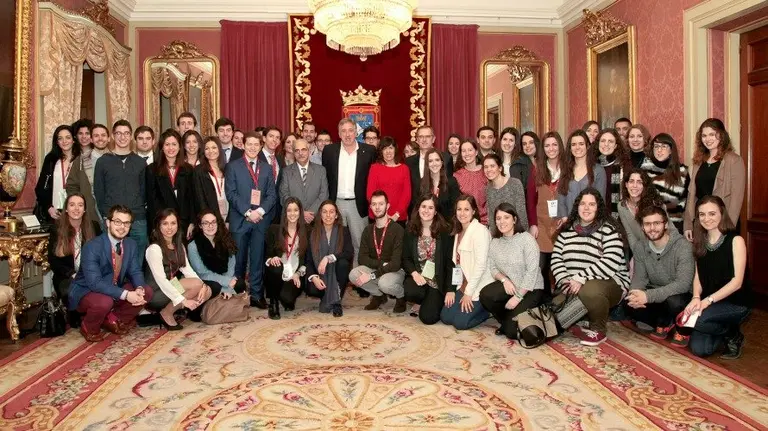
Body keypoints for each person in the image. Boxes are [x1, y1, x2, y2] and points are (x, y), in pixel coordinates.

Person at [551, 188, 630, 346]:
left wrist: (581, 277)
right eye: (583, 204)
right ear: (577, 206)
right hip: (573, 284)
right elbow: (556, 258)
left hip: (610, 283)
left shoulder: (609, 229)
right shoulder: (566, 231)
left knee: (589, 290)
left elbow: (610, 262)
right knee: (554, 316)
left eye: (591, 204)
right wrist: (565, 281)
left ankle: (598, 330)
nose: (586, 208)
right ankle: (581, 321)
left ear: (598, 208)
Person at [675, 196, 750, 359]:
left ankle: (733, 334)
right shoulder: (699, 241)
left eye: (711, 214)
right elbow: (698, 276)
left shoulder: (735, 240)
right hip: (709, 301)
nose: (706, 219)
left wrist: (707, 301)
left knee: (700, 321)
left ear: (721, 214)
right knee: (699, 350)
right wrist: (695, 297)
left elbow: (737, 282)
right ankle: (721, 329)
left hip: (735, 302)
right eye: (702, 214)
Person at [68, 205, 151, 342]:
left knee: (146, 292)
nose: (122, 227)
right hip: (87, 291)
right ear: (108, 223)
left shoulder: (131, 244)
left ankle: (112, 319)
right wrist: (126, 295)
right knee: (104, 302)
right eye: (117, 222)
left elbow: (135, 270)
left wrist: (139, 288)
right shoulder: (92, 246)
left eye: (126, 223)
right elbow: (95, 283)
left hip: (112, 288)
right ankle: (89, 327)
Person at [624, 206, 694, 338]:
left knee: (674, 303)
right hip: (658, 294)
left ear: (666, 224)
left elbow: (683, 284)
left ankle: (679, 326)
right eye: (647, 224)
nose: (652, 228)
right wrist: (635, 295)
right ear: (642, 227)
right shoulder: (640, 247)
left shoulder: (683, 246)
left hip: (680, 295)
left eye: (657, 223)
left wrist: (647, 296)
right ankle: (665, 322)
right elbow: (639, 279)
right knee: (628, 304)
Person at [226, 131, 277, 309]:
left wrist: (260, 211)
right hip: (240, 220)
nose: (253, 147)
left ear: (261, 146)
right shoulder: (233, 166)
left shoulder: (267, 167)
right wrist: (248, 212)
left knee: (257, 259)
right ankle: (239, 295)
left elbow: (272, 194)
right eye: (249, 144)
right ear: (243, 145)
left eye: (256, 144)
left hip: (260, 221)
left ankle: (256, 294)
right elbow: (231, 194)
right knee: (238, 261)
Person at [479, 203, 545, 339]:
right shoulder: (495, 242)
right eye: (498, 218)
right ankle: (508, 320)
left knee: (510, 332)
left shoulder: (527, 239)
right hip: (511, 285)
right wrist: (504, 280)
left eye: (506, 217)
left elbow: (532, 272)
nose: (502, 222)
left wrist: (518, 297)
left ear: (514, 219)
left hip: (531, 289)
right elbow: (493, 268)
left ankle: (512, 322)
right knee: (486, 295)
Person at [144, 209, 211, 330]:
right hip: (156, 292)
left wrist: (204, 286)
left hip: (171, 285)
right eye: (165, 223)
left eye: (173, 223)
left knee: (206, 289)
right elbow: (161, 281)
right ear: (158, 226)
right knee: (196, 285)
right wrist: (184, 301)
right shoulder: (154, 249)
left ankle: (174, 311)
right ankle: (167, 313)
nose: (169, 227)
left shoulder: (178, 245)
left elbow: (188, 271)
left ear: (178, 225)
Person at [322, 118, 376, 267]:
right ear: (339, 134)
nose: (347, 134)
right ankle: (337, 280)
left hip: (358, 204)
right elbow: (325, 177)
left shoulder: (369, 151)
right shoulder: (329, 151)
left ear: (356, 132)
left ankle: (358, 278)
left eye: (350, 130)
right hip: (336, 203)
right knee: (335, 243)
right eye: (343, 131)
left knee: (359, 244)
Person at [94, 120, 148, 261]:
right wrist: (106, 215)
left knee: (136, 263)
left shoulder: (140, 163)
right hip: (113, 220)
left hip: (138, 220)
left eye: (126, 133)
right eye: (118, 133)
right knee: (112, 263)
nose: (122, 137)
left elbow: (144, 192)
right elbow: (99, 192)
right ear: (112, 136)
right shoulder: (103, 162)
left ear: (131, 137)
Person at [684, 118, 745, 241]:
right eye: (704, 135)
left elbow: (736, 199)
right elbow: (692, 195)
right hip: (701, 223)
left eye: (712, 134)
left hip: (723, 224)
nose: (708, 139)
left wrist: (725, 228)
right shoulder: (698, 162)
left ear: (721, 135)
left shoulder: (734, 160)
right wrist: (688, 224)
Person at [440, 195, 493, 330]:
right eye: (459, 209)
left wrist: (469, 293)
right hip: (462, 284)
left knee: (460, 323)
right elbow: (456, 264)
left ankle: (488, 310)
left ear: (474, 211)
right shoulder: (458, 231)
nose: (462, 213)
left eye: (466, 209)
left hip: (478, 286)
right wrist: (452, 290)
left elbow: (481, 266)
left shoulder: (480, 231)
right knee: (446, 317)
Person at [349, 191, 407, 313]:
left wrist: (372, 275)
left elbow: (396, 264)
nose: (377, 207)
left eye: (381, 204)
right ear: (370, 207)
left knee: (384, 283)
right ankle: (379, 296)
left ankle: (401, 297)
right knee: (353, 274)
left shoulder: (398, 230)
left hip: (395, 271)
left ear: (388, 206)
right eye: (374, 204)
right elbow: (362, 259)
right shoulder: (368, 230)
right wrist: (381, 264)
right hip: (381, 267)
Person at [47, 194, 100, 325]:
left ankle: (91, 311)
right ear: (66, 209)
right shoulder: (57, 229)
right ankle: (74, 310)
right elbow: (53, 261)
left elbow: (101, 255)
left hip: (90, 274)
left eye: (80, 205)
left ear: (85, 209)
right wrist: (72, 274)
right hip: (66, 276)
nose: (76, 209)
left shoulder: (94, 227)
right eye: (72, 205)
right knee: (71, 290)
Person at [402, 194, 454, 325]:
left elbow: (450, 264)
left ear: (436, 211)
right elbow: (406, 258)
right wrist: (414, 274)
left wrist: (450, 290)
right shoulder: (410, 229)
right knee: (410, 291)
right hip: (419, 277)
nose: (426, 210)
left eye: (431, 208)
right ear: (418, 208)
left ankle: (431, 301)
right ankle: (421, 300)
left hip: (437, 280)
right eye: (423, 206)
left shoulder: (445, 231)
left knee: (428, 318)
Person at [527, 131, 565, 293]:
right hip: (541, 224)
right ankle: (544, 299)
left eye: (554, 145)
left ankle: (562, 300)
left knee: (560, 265)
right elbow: (530, 199)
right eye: (547, 145)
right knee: (542, 265)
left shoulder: (568, 168)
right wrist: (533, 224)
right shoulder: (537, 169)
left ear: (560, 147)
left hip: (562, 223)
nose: (551, 149)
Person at [187, 210, 246, 313]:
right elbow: (202, 273)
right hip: (205, 281)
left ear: (218, 223)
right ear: (200, 226)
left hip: (223, 277)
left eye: (213, 222)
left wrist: (228, 287)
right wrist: (227, 282)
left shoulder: (226, 240)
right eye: (206, 223)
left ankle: (225, 307)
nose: (210, 226)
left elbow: (231, 266)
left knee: (240, 283)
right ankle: (214, 309)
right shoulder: (193, 246)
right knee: (215, 286)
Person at [306, 200, 354, 317]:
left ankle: (336, 302)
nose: (328, 215)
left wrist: (329, 258)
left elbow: (349, 253)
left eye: (331, 212)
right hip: (319, 273)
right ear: (320, 214)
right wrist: (313, 277)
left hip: (336, 270)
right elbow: (308, 260)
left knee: (343, 264)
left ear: (336, 215)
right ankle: (326, 295)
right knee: (312, 289)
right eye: (325, 212)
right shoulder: (312, 232)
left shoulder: (344, 230)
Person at [146, 129, 195, 239]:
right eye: (167, 144)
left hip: (184, 222)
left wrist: (192, 222)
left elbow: (192, 198)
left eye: (174, 144)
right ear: (162, 147)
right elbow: (152, 201)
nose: (171, 148)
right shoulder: (152, 169)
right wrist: (156, 225)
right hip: (162, 223)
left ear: (179, 147)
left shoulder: (188, 169)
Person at [264, 197, 309, 319]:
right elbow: (267, 255)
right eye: (289, 210)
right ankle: (273, 304)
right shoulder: (274, 230)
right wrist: (272, 259)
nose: (292, 214)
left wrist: (298, 274)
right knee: (276, 266)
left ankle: (282, 295)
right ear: (285, 212)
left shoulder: (306, 232)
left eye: (296, 210)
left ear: (300, 212)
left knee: (287, 300)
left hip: (294, 275)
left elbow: (307, 261)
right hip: (277, 272)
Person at [557, 129, 606, 219]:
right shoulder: (566, 169)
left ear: (587, 146)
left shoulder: (598, 170)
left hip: (591, 224)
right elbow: (561, 199)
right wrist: (565, 218)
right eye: (573, 144)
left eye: (581, 144)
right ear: (570, 148)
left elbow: (600, 201)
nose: (577, 147)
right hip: (569, 223)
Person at [36, 124, 81, 223]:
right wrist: (49, 208)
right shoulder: (51, 159)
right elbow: (40, 188)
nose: (64, 141)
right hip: (55, 213)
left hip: (78, 212)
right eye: (60, 138)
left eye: (68, 137)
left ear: (73, 140)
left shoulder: (81, 159)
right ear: (57, 142)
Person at [279, 138, 329, 225]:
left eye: (303, 150)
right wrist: (301, 213)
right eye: (297, 151)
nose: (300, 153)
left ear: (309, 151)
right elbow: (284, 195)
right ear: (294, 153)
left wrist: (311, 213)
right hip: (294, 220)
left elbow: (324, 194)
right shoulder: (286, 171)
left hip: (315, 219)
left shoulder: (321, 170)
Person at [406, 126, 453, 208]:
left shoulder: (446, 158)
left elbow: (448, 186)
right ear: (416, 139)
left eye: (427, 136)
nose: (424, 140)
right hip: (416, 211)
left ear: (434, 139)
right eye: (420, 137)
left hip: (441, 211)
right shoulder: (409, 162)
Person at [367, 137, 411, 225]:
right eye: (385, 148)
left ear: (395, 150)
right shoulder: (374, 168)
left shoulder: (404, 168)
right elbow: (370, 193)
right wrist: (382, 214)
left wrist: (397, 214)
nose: (388, 151)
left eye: (391, 148)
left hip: (398, 217)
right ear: (381, 151)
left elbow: (407, 194)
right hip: (377, 215)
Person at [618, 169, 663, 250]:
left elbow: (665, 232)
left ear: (644, 186)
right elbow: (630, 234)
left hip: (661, 248)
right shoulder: (622, 206)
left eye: (639, 182)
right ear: (626, 184)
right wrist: (638, 254)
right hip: (640, 250)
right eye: (631, 181)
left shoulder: (654, 203)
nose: (635, 185)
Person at [484, 153, 527, 232]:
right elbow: (491, 216)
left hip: (517, 234)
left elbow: (521, 214)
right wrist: (495, 238)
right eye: (486, 167)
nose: (488, 169)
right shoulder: (488, 189)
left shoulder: (515, 183)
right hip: (499, 235)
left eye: (492, 166)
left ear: (500, 168)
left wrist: (522, 235)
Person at [595, 128, 632, 218]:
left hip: (619, 216)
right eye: (603, 141)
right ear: (598, 143)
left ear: (616, 145)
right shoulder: (591, 164)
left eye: (610, 141)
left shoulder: (624, 164)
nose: (606, 144)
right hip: (595, 215)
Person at [418, 148, 460, 222]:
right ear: (427, 164)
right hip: (426, 225)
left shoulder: (451, 182)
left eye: (437, 160)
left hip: (447, 225)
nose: (434, 164)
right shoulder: (421, 182)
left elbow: (455, 208)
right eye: (430, 161)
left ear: (442, 162)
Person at [194, 136, 229, 222]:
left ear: (219, 149)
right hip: (210, 216)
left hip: (229, 213)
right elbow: (200, 197)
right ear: (203, 151)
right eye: (207, 148)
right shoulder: (199, 170)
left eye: (214, 147)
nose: (211, 151)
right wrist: (207, 218)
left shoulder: (228, 168)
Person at [453, 139, 488, 224]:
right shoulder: (457, 175)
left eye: (470, 150)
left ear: (476, 152)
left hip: (487, 222)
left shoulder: (486, 171)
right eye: (463, 151)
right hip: (466, 222)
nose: (467, 153)